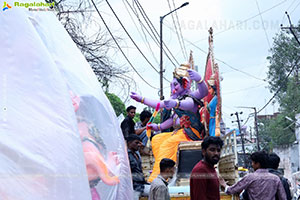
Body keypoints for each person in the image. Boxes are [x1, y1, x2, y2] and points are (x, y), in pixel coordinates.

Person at [130, 64, 208, 182]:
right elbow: (165, 112)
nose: (173, 88)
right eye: (172, 85)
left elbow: (201, 93)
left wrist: (199, 80)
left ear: (185, 84)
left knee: (168, 144)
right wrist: (142, 99)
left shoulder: (190, 97)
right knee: (157, 139)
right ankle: (162, 168)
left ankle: (157, 177)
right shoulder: (176, 100)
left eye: (175, 85)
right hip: (179, 133)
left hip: (191, 134)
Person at [220, 151, 287, 200]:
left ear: (257, 163)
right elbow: (283, 197)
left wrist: (224, 185)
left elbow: (232, 190)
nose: (252, 164)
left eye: (252, 162)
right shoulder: (275, 179)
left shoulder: (250, 177)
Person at [127, 134, 150, 200]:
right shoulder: (126, 155)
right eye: (136, 143)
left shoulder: (137, 154)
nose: (139, 145)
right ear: (129, 143)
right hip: (133, 187)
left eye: (140, 143)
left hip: (141, 185)